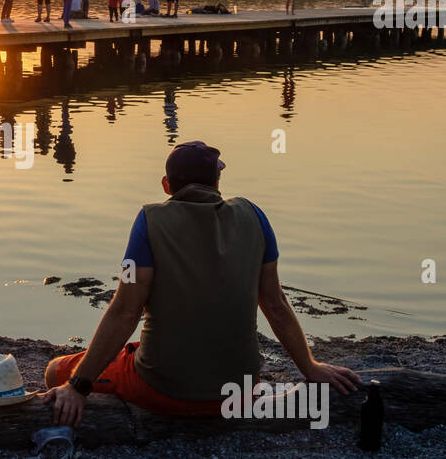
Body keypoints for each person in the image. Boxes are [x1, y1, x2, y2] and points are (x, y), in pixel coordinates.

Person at [42, 140, 362, 426]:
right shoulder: (254, 216)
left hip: (164, 391)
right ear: (217, 182)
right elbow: (275, 304)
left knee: (57, 370)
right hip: (241, 389)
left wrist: (77, 387)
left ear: (167, 185)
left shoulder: (149, 221)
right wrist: (310, 367)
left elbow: (125, 311)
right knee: (137, 351)